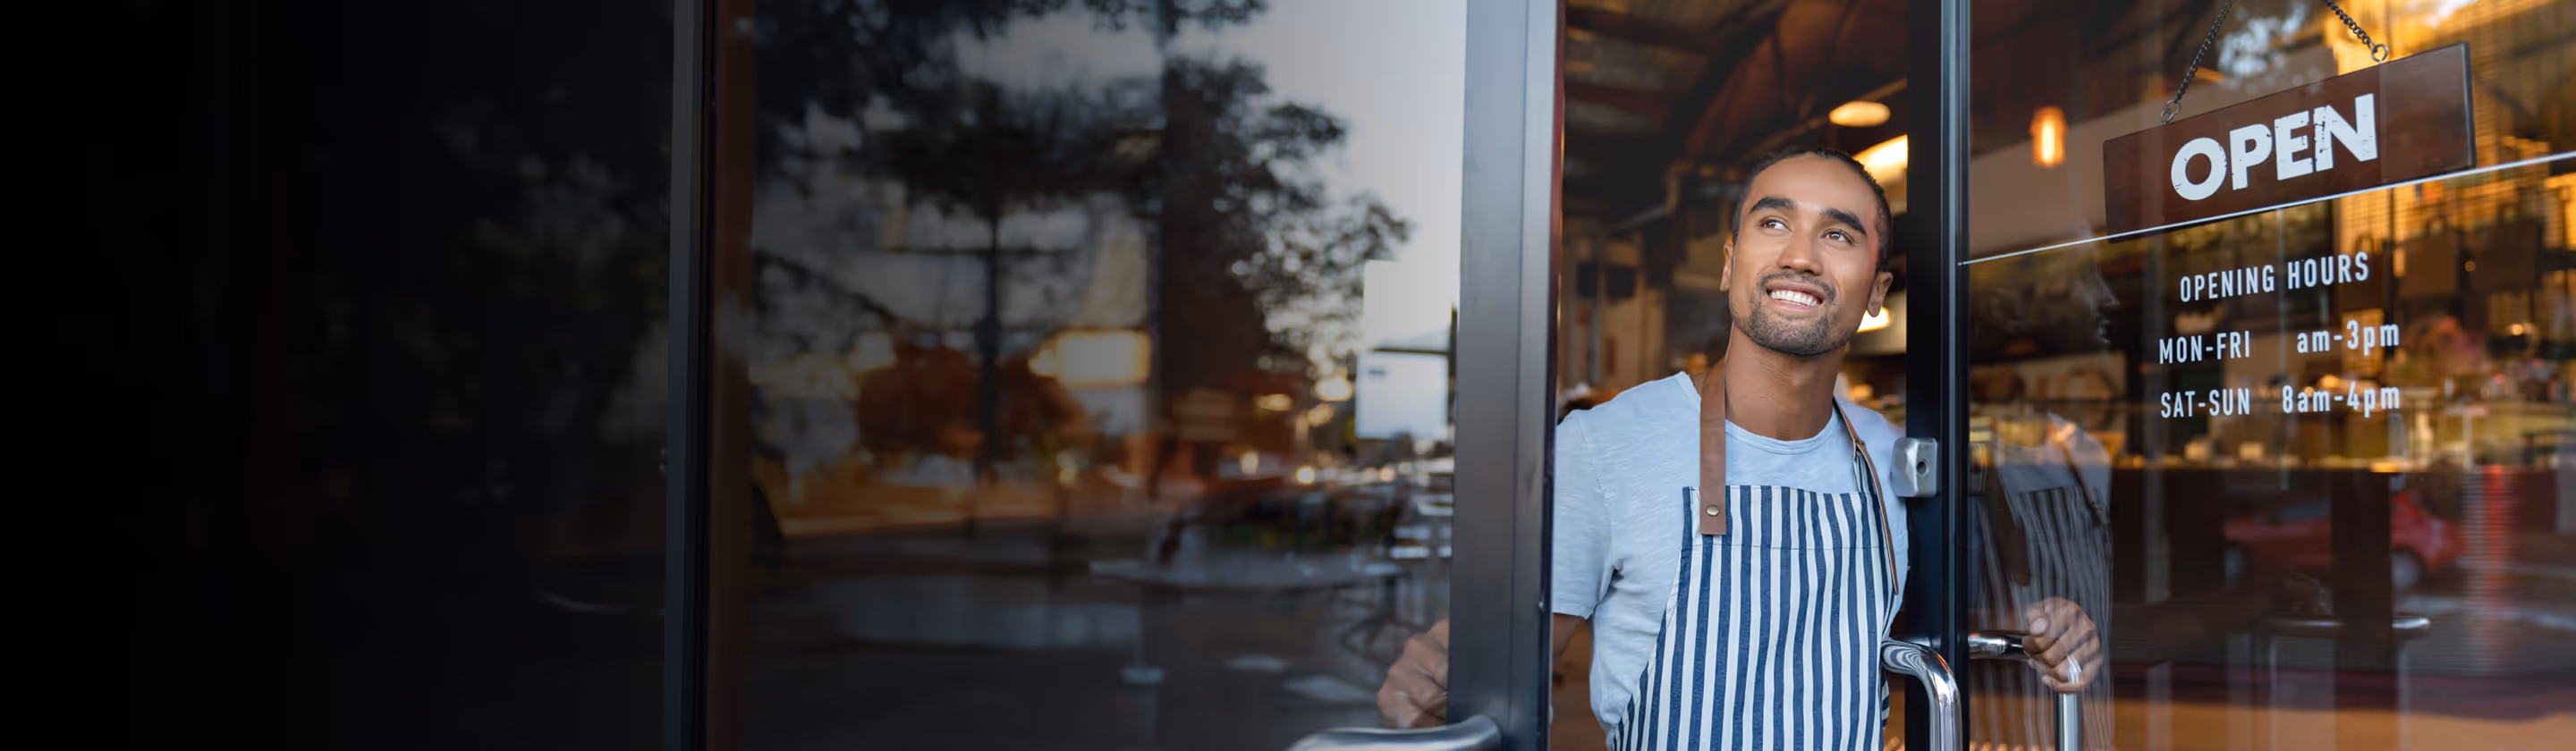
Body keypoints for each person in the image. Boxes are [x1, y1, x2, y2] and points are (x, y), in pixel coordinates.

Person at [1376, 145, 2102, 747]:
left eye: (1838, 235)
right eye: (1773, 223)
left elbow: (1982, 622)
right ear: (1730, 264)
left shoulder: (1892, 457)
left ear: (1877, 291)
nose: (1802, 257)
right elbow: (1508, 673)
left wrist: (2057, 630)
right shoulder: (1605, 446)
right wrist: (1437, 689)